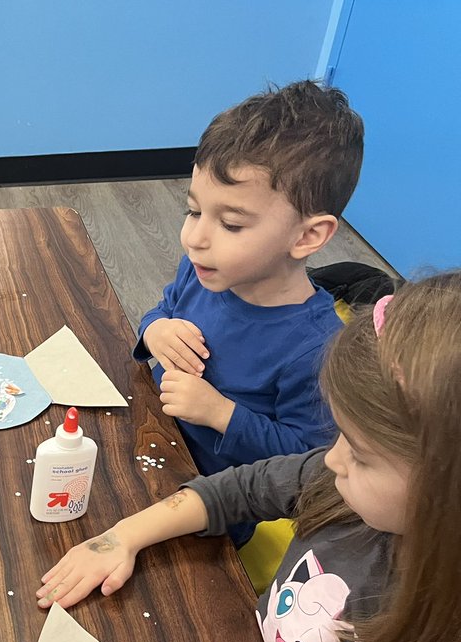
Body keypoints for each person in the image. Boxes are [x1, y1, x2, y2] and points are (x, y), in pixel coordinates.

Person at [38, 272, 461, 642]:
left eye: (360, 455)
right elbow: (236, 490)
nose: (330, 459)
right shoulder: (345, 488)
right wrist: (123, 536)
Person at [134, 81, 364, 526]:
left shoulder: (316, 348)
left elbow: (310, 465)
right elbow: (162, 308)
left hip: (212, 506)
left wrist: (222, 414)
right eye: (194, 211)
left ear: (307, 236)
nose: (195, 238)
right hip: (152, 440)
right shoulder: (204, 271)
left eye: (232, 224)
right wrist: (155, 329)